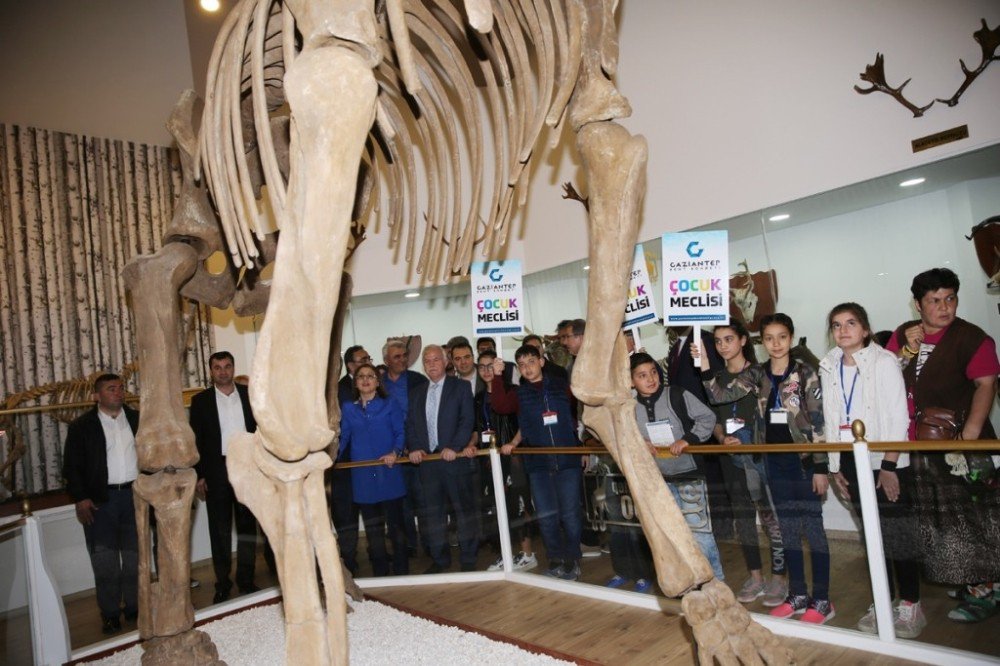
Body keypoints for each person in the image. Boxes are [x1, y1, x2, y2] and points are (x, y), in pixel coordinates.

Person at [697, 313, 833, 624]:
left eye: (781, 337)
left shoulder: (806, 373)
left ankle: (822, 600)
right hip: (772, 462)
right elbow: (721, 394)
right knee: (787, 531)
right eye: (769, 338)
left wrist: (821, 467)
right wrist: (705, 364)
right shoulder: (757, 374)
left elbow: (818, 422)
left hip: (803, 462)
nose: (775, 344)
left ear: (790, 337)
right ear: (762, 341)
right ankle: (797, 593)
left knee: (813, 532)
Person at [886, 268, 1000, 623]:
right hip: (921, 447)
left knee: (976, 516)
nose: (944, 307)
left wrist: (970, 436)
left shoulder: (971, 338)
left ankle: (986, 590)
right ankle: (970, 580)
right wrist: (906, 348)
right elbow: (887, 373)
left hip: (962, 446)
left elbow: (986, 384)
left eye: (950, 298)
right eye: (935, 300)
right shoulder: (905, 336)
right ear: (918, 304)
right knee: (945, 518)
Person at [819, 303, 921, 636]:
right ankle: (883, 597)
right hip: (849, 458)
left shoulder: (884, 362)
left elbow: (898, 418)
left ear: (865, 329)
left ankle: (909, 604)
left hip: (884, 459)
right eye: (836, 325)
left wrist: (889, 465)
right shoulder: (830, 365)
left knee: (896, 533)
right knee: (871, 534)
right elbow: (833, 419)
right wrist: (835, 466)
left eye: (851, 323)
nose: (843, 330)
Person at [616, 352, 724, 591]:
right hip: (657, 481)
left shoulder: (676, 394)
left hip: (689, 476)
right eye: (642, 375)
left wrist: (688, 439)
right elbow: (622, 436)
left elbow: (708, 417)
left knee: (700, 534)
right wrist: (639, 441)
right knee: (672, 535)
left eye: (653, 372)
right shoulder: (629, 408)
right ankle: (691, 584)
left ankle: (716, 585)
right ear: (631, 381)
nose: (650, 379)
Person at [704, 321, 787, 607]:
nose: (723, 345)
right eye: (718, 341)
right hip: (731, 459)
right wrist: (722, 438)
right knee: (743, 518)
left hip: (759, 457)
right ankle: (756, 576)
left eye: (729, 339)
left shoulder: (758, 372)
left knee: (770, 518)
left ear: (742, 340)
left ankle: (780, 577)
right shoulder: (716, 378)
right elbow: (713, 417)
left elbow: (724, 397)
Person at [490, 345, 584, 581]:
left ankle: (572, 559)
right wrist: (498, 374)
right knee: (546, 515)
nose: (527, 368)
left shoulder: (562, 386)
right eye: (521, 365)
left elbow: (585, 400)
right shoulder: (519, 393)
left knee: (571, 514)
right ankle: (555, 558)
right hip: (538, 464)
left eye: (531, 362)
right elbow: (500, 405)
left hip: (567, 460)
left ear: (542, 361)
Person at [62, 373, 140, 634]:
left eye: (120, 388)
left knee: (134, 559)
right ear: (97, 395)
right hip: (100, 502)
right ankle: (109, 613)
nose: (118, 392)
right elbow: (71, 468)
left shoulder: (137, 419)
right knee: (105, 562)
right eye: (110, 389)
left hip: (134, 497)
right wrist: (81, 497)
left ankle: (134, 608)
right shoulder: (82, 427)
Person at [190, 351, 260, 604]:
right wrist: (199, 475)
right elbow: (195, 441)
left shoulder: (248, 396)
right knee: (219, 531)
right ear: (211, 371)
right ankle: (222, 583)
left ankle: (246, 580)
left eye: (227, 366)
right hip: (216, 471)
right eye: (217, 367)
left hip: (247, 468)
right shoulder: (201, 402)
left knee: (246, 528)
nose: (222, 371)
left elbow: (261, 431)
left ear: (233, 368)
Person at [406, 345, 478, 573]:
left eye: (436, 359)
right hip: (427, 463)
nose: (431, 364)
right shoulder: (416, 392)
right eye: (427, 361)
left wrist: (455, 447)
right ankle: (440, 560)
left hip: (453, 459)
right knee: (433, 515)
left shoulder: (461, 387)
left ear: (446, 362)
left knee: (462, 511)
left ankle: (468, 558)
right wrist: (415, 448)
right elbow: (411, 426)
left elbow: (467, 421)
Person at [338, 363, 409, 576]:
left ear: (378, 382)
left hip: (389, 473)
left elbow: (400, 432)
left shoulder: (390, 404)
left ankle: (402, 570)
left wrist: (395, 452)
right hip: (363, 478)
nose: (366, 380)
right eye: (361, 377)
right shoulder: (349, 408)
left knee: (395, 527)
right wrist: (330, 459)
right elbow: (345, 439)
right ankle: (380, 572)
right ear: (356, 383)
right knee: (373, 530)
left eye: (370, 376)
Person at [476, 349, 537, 572]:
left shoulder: (515, 392)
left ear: (499, 366)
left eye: (490, 365)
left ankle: (528, 554)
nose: (486, 370)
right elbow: (478, 429)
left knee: (519, 505)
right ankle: (507, 554)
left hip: (515, 457)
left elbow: (525, 421)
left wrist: (513, 443)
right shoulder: (480, 397)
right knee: (500, 508)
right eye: (481, 366)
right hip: (491, 459)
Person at [382, 339, 429, 555]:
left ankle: (430, 546)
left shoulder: (419, 380)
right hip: (391, 454)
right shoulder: (378, 384)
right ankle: (408, 545)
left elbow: (425, 416)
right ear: (386, 360)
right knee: (400, 505)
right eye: (397, 357)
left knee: (423, 501)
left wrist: (415, 444)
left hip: (417, 450)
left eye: (404, 356)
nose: (402, 360)